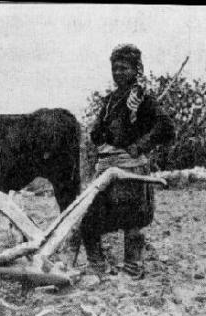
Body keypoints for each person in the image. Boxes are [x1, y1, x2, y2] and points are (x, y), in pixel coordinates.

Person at [80, 44, 174, 279]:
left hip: (129, 167)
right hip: (106, 165)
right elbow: (98, 131)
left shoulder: (142, 99)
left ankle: (132, 269)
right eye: (115, 68)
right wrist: (98, 134)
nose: (118, 73)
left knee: (131, 219)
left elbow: (166, 127)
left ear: (136, 69)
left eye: (124, 68)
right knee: (90, 215)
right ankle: (98, 266)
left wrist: (140, 145)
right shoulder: (110, 100)